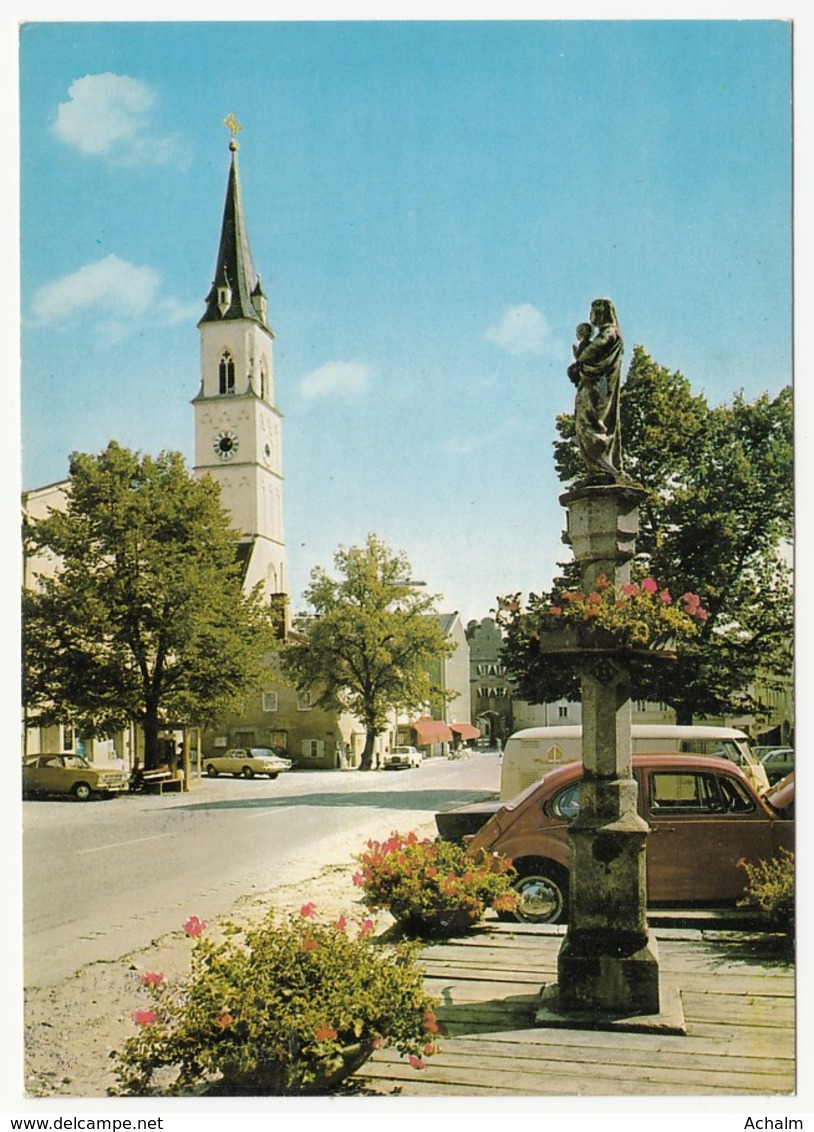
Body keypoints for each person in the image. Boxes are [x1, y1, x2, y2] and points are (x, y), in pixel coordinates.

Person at [567, 298, 624, 482]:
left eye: (596, 312)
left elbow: (589, 352)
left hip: (599, 390)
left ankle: (601, 467)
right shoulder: (605, 333)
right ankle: (596, 468)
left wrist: (583, 349)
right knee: (586, 423)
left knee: (591, 423)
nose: (593, 317)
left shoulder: (609, 332)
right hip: (593, 387)